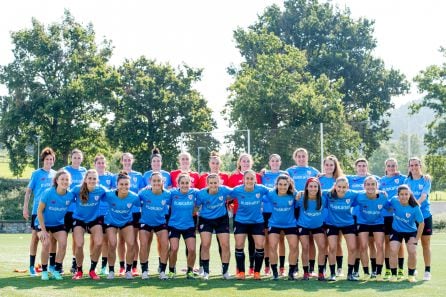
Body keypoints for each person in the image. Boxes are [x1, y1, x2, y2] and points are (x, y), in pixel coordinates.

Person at [23, 147, 57, 276]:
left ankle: (49, 266)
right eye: (47, 159)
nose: (49, 161)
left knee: (50, 239)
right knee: (35, 238)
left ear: (53, 161)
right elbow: (29, 192)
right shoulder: (37, 173)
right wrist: (25, 207)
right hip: (37, 212)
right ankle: (32, 266)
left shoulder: (55, 174)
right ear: (43, 160)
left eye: (51, 159)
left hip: (51, 212)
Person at [231, 170, 270, 280]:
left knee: (259, 245)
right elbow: (225, 194)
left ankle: (256, 272)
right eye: (247, 178)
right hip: (241, 221)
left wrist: (296, 193)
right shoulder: (237, 190)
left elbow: (275, 191)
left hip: (257, 221)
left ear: (255, 180)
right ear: (243, 180)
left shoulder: (261, 189)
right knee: (239, 244)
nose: (249, 180)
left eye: (251, 178)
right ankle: (241, 272)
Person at [35, 169, 73, 281]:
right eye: (62, 179)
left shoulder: (70, 195)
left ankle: (56, 270)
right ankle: (45, 271)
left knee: (63, 243)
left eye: (67, 180)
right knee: (46, 243)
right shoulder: (48, 192)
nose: (64, 181)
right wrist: (43, 230)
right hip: (43, 223)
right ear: (56, 180)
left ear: (70, 182)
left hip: (58, 223)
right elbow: (39, 211)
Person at [286, 148, 319, 275]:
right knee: (296, 240)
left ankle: (311, 268)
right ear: (295, 158)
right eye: (298, 156)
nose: (301, 158)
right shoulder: (289, 171)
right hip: (294, 207)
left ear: (307, 157)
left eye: (303, 156)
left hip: (309, 207)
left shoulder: (314, 171)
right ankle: (295, 267)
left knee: (310, 240)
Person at [228, 153, 262, 276]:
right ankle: (240, 269)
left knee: (254, 243)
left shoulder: (258, 177)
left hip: (255, 217)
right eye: (243, 161)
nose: (246, 163)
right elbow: (227, 194)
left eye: (248, 161)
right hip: (240, 215)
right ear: (239, 162)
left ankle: (253, 268)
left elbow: (269, 192)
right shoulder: (233, 178)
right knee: (239, 243)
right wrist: (229, 206)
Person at [103, 171, 140, 279]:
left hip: (126, 221)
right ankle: (111, 271)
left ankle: (128, 271)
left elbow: (143, 203)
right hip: (111, 222)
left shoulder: (134, 197)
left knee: (131, 243)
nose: (124, 186)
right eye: (121, 184)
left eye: (126, 184)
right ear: (117, 185)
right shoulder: (109, 195)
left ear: (130, 185)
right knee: (113, 244)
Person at [71, 169, 107, 280]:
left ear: (97, 180)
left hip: (94, 220)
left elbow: (115, 194)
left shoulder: (101, 190)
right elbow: (65, 196)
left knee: (99, 243)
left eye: (94, 178)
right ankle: (79, 271)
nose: (92, 180)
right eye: (90, 178)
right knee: (79, 244)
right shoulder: (77, 189)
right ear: (86, 179)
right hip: (79, 220)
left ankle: (92, 270)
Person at [346, 158, 379, 278]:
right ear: (356, 167)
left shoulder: (374, 178)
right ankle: (356, 270)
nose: (361, 168)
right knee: (360, 245)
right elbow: (337, 178)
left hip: (372, 217)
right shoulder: (350, 178)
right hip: (356, 216)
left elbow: (382, 187)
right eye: (359, 166)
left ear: (367, 167)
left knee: (372, 244)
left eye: (364, 165)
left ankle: (374, 270)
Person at [196, 173, 232, 280]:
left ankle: (225, 272)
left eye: (215, 182)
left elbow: (237, 192)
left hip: (221, 219)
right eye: (211, 183)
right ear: (207, 184)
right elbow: (196, 206)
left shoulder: (224, 190)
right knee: (206, 244)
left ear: (219, 182)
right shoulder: (201, 194)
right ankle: (206, 272)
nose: (213, 185)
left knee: (225, 245)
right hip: (206, 220)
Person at [323, 176, 359, 281]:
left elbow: (365, 192)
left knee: (352, 248)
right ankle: (333, 273)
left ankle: (350, 274)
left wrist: (379, 191)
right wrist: (301, 193)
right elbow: (314, 190)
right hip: (332, 224)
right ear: (335, 186)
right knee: (332, 248)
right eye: (339, 187)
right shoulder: (328, 194)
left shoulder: (352, 194)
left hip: (348, 224)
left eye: (344, 187)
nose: (341, 189)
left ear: (348, 187)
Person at [388, 185, 424, 282]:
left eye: (406, 194)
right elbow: (388, 207)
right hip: (396, 231)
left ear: (409, 195)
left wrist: (417, 239)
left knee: (412, 251)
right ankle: (394, 275)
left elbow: (421, 223)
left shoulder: (415, 207)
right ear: (398, 195)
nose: (404, 196)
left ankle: (411, 275)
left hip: (411, 232)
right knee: (393, 250)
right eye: (401, 194)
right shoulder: (394, 201)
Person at [138, 172, 170, 280]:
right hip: (145, 222)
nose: (156, 183)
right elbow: (135, 201)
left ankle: (162, 271)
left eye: (158, 181)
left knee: (165, 245)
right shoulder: (143, 193)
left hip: (161, 223)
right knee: (143, 244)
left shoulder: (167, 194)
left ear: (162, 182)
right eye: (154, 181)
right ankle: (144, 271)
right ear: (150, 182)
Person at [404, 157, 432, 281]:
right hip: (410, 218)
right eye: (412, 165)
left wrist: (415, 206)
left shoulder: (426, 180)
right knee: (412, 244)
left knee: (425, 244)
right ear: (409, 167)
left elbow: (423, 196)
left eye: (416, 165)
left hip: (425, 215)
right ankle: (413, 268)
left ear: (420, 165)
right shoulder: (406, 180)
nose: (414, 167)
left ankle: (427, 271)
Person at [266, 174, 298, 280]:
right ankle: (275, 272)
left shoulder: (294, 194)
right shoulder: (271, 194)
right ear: (276, 185)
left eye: (285, 184)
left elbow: (304, 196)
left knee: (294, 247)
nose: (283, 187)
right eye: (280, 184)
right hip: (274, 224)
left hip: (290, 224)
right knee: (272, 246)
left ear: (289, 185)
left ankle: (291, 272)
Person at [117, 152, 144, 277]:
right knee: (121, 240)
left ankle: (133, 266)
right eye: (125, 160)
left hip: (135, 213)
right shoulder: (116, 176)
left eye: (129, 160)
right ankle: (122, 267)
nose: (127, 162)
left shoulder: (139, 176)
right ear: (122, 161)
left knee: (134, 240)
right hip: (121, 212)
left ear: (132, 161)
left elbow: (142, 193)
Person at [166, 174, 198, 279]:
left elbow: (206, 194)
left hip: (189, 225)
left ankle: (190, 271)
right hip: (174, 225)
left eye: (187, 183)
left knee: (192, 249)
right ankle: (171, 271)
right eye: (182, 183)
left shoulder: (194, 193)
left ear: (190, 183)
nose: (185, 185)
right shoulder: (172, 193)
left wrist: (195, 210)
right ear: (178, 184)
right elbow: (161, 195)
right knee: (174, 248)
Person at [379, 158, 406, 279]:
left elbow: (413, 178)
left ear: (397, 166)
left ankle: (400, 269)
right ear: (385, 167)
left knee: (400, 243)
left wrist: (425, 176)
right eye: (389, 166)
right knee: (387, 243)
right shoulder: (381, 181)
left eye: (393, 165)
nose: (391, 168)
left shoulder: (402, 179)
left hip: (398, 216)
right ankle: (388, 269)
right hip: (385, 216)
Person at [356, 176, 387, 280]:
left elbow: (391, 206)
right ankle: (366, 272)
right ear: (364, 186)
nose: (370, 186)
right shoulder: (359, 196)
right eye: (368, 184)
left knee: (379, 245)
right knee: (363, 246)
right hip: (363, 223)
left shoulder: (383, 196)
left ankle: (377, 273)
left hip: (378, 223)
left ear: (377, 186)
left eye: (373, 184)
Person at [261, 154, 287, 276]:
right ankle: (267, 266)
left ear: (280, 162)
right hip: (266, 211)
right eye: (273, 161)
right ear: (269, 162)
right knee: (267, 240)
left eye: (277, 161)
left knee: (281, 239)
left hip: (281, 211)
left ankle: (282, 267)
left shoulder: (285, 175)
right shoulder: (264, 175)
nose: (275, 163)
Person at [296, 177, 327, 281]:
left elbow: (334, 191)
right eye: (311, 186)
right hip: (303, 226)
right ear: (307, 188)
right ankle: (306, 272)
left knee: (322, 247)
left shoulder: (323, 198)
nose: (313, 188)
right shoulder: (301, 198)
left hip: (318, 226)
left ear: (319, 188)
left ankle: (321, 273)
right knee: (305, 247)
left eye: (315, 186)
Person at [318, 155, 344, 277]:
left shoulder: (340, 179)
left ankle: (339, 268)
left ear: (335, 166)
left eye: (331, 165)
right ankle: (322, 269)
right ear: (324, 166)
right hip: (322, 216)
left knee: (337, 243)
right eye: (327, 165)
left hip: (336, 216)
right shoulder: (318, 179)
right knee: (324, 244)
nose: (329, 167)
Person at [63, 148, 87, 274]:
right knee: (62, 237)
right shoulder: (65, 170)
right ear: (71, 158)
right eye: (75, 157)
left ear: (81, 159)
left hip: (78, 211)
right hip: (66, 209)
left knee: (76, 238)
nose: (77, 160)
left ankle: (74, 262)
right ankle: (58, 263)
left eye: (79, 158)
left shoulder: (85, 171)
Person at [94, 154, 116, 276]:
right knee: (95, 241)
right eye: (99, 163)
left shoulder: (111, 177)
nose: (101, 165)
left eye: (103, 162)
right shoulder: (92, 176)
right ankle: (94, 265)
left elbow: (113, 194)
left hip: (107, 213)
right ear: (95, 164)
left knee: (106, 241)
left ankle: (103, 267)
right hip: (94, 213)